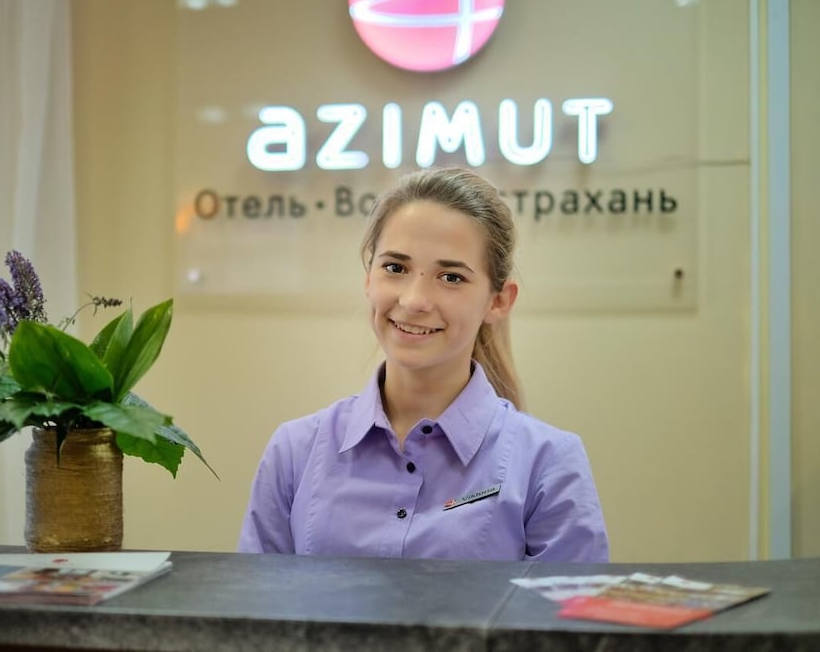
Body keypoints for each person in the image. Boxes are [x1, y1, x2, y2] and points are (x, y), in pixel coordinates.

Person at [238, 167, 609, 562]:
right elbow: (257, 600)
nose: (414, 300)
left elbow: (567, 603)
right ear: (368, 279)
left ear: (498, 300)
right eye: (395, 268)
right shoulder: (295, 451)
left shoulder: (548, 464)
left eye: (451, 277)